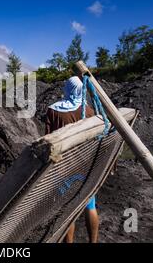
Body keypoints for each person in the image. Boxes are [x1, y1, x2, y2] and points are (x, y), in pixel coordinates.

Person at [45, 76, 99, 243]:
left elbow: (48, 140)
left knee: (67, 210)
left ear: (67, 89)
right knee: (90, 206)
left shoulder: (54, 111)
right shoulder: (90, 111)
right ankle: (94, 241)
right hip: (86, 166)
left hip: (63, 168)